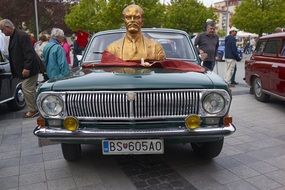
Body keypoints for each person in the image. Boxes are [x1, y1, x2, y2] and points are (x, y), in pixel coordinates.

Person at [0, 19, 40, 118]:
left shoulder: (22, 35)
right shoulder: (15, 36)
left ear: (8, 27)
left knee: (26, 88)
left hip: (30, 69)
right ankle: (36, 108)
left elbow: (29, 53)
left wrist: (26, 68)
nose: (2, 32)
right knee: (29, 89)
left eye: (2, 29)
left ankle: (33, 110)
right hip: (26, 69)